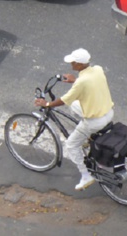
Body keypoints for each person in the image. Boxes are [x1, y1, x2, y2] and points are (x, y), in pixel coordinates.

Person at [34, 48, 114, 191]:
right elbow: (88, 84)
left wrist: (46, 104)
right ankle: (89, 137)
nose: (71, 64)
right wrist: (75, 80)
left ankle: (86, 175)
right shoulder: (98, 69)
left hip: (95, 121)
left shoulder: (81, 82)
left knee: (71, 144)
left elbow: (65, 99)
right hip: (108, 112)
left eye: (73, 62)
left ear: (78, 64)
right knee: (75, 105)